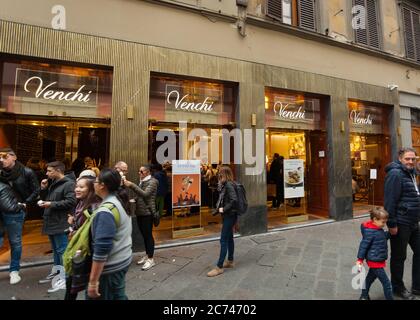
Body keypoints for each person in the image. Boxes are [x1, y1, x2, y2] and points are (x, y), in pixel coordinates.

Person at [87, 169, 132, 300]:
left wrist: (93, 281)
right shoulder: (119, 200)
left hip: (111, 267)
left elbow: (102, 248)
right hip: (123, 259)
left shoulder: (106, 210)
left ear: (102, 185)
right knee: (118, 294)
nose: (93, 184)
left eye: (95, 181)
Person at [384, 147, 420, 300]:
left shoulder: (411, 173)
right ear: (400, 159)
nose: (411, 161)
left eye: (413, 159)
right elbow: (390, 201)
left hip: (414, 222)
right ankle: (398, 287)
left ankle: (417, 287)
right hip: (401, 222)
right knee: (399, 257)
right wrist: (392, 224)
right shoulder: (395, 174)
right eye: (408, 159)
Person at [0, 147, 40, 285]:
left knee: (15, 241)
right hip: (1, 209)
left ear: (14, 157)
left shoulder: (26, 172)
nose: (1, 160)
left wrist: (25, 203)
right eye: (0, 157)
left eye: (5, 157)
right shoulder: (0, 172)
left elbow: (36, 190)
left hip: (16, 211)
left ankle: (14, 271)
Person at [38, 161, 76, 293]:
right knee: (56, 250)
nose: (47, 173)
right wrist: (43, 189)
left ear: (58, 171)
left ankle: (65, 278)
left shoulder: (69, 184)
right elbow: (47, 199)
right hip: (52, 221)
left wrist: (51, 204)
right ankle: (57, 273)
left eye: (49, 171)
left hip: (61, 222)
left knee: (62, 251)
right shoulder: (54, 183)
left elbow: (71, 201)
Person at [64, 176, 101, 300]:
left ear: (91, 189)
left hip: (86, 254)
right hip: (79, 251)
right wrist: (73, 227)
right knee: (71, 288)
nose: (77, 189)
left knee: (86, 291)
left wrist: (75, 230)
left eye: (81, 187)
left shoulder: (93, 207)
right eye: (76, 186)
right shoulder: (80, 203)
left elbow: (93, 233)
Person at [124, 165, 158, 271]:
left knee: (148, 236)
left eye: (141, 171)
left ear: (148, 172)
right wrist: (134, 199)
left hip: (147, 213)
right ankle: (147, 255)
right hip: (140, 212)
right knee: (144, 235)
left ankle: (151, 259)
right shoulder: (142, 181)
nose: (139, 173)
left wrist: (131, 185)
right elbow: (140, 195)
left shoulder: (153, 182)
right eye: (139, 171)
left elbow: (145, 194)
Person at [207, 166, 238, 277]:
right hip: (229, 215)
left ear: (225, 174)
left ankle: (219, 267)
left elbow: (234, 200)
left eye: (221, 174)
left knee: (223, 240)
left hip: (229, 215)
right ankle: (230, 261)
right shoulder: (226, 184)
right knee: (229, 238)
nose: (219, 176)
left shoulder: (229, 185)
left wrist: (223, 209)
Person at [356, 207, 393, 300]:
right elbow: (363, 246)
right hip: (375, 261)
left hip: (377, 259)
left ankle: (364, 296)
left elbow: (381, 238)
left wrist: (389, 233)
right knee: (386, 283)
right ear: (374, 219)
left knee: (369, 279)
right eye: (383, 222)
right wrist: (360, 260)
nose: (384, 225)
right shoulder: (370, 232)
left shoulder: (378, 229)